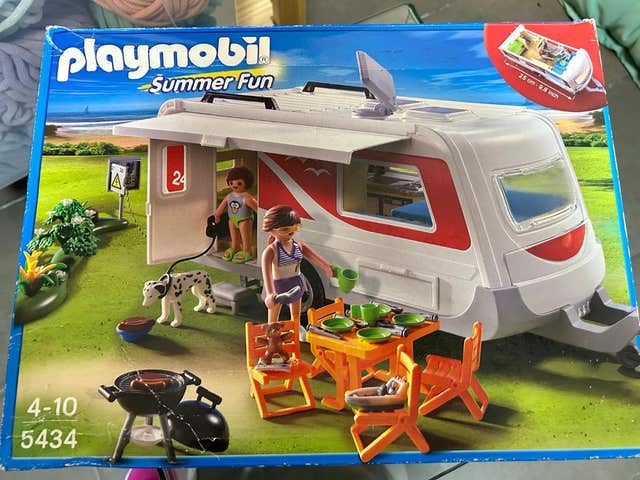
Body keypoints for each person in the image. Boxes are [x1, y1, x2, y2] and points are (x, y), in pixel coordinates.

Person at [261, 205, 333, 325]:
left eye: (295, 227)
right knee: (273, 316)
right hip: (278, 285)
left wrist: (326, 266)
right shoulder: (271, 251)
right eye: (285, 229)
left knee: (295, 314)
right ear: (272, 230)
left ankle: (296, 327)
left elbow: (313, 257)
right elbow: (267, 273)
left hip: (296, 282)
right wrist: (269, 293)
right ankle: (271, 330)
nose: (291, 232)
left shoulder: (297, 246)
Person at [213, 166, 257, 263]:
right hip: (232, 219)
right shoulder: (229, 196)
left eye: (239, 183)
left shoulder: (247, 198)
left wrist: (264, 218)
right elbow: (222, 206)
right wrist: (217, 215)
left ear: (247, 183)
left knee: (245, 237)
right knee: (234, 236)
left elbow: (258, 209)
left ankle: (247, 250)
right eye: (231, 183)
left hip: (244, 220)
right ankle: (235, 247)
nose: (235, 185)